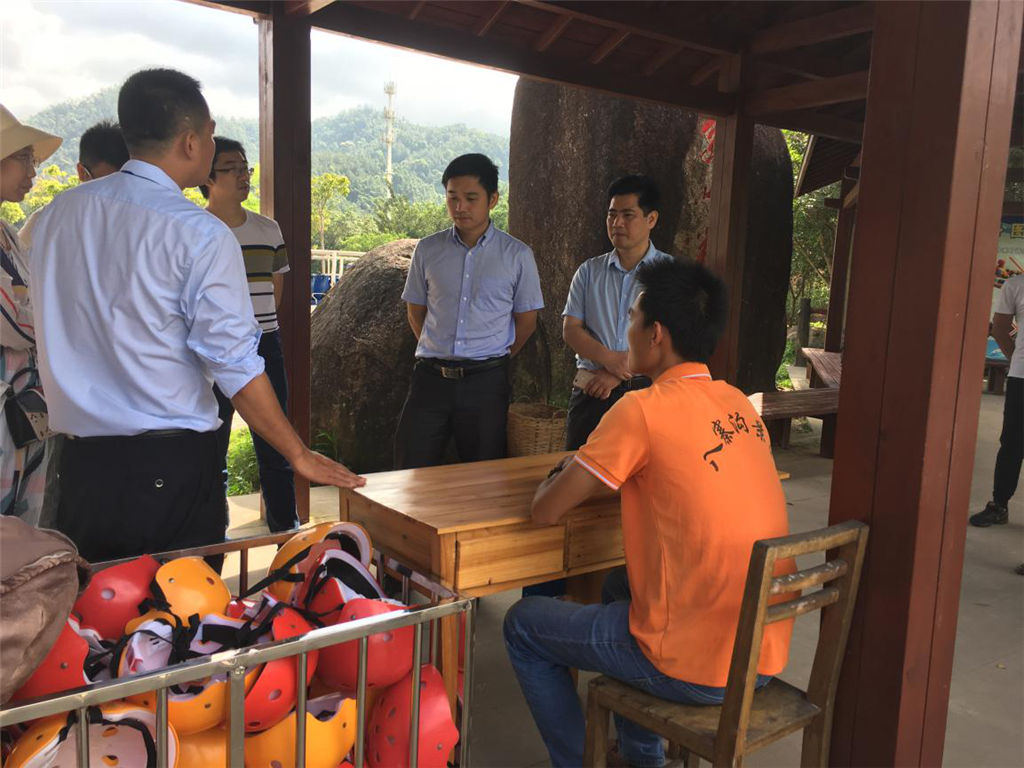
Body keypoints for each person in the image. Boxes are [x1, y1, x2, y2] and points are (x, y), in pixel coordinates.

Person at [28, 69, 363, 563]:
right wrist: (297, 453)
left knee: (96, 602)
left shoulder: (54, 216)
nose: (210, 144)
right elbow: (235, 364)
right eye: (210, 134)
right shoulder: (197, 233)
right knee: (183, 604)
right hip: (167, 468)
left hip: (78, 466)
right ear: (190, 142)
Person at [503, 258, 793, 768]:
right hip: (761, 653)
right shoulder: (738, 404)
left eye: (632, 318)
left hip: (695, 665)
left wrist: (560, 473)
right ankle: (643, 757)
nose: (628, 329)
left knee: (523, 624)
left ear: (655, 334)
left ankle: (578, 761)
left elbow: (547, 510)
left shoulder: (640, 409)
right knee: (620, 585)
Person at [394, 153, 543, 469]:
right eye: (452, 197)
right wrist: (437, 349)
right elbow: (415, 311)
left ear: (493, 199)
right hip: (430, 380)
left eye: (471, 198)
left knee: (483, 474)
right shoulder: (428, 249)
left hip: (485, 383)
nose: (460, 206)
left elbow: (527, 321)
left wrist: (494, 356)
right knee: (410, 469)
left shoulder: (517, 255)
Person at [18, 121, 129, 527]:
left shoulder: (47, 220)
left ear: (81, 170)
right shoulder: (153, 221)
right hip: (125, 395)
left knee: (58, 502)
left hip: (61, 392)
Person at [200, 136, 297, 532]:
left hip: (263, 344)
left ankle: (286, 537)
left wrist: (259, 329)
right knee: (211, 451)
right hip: (210, 351)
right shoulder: (195, 229)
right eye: (233, 169)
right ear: (208, 177)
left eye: (246, 168)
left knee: (277, 446)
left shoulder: (267, 229)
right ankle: (213, 539)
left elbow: (276, 289)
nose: (244, 176)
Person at [563, 175, 671, 451]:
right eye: (612, 215)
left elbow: (673, 340)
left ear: (651, 219)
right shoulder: (589, 272)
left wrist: (618, 373)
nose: (617, 223)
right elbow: (571, 329)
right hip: (591, 392)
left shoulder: (670, 275)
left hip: (648, 393)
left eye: (627, 215)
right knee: (577, 466)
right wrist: (610, 360)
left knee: (644, 471)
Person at [0, 105, 62, 525]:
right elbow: (17, 323)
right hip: (10, 405)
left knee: (23, 523)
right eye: (23, 157)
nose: (32, 172)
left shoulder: (8, 234)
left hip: (23, 406)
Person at [19, 120, 130, 249]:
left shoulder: (48, 217)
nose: (110, 196)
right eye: (102, 185)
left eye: (120, 185)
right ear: (82, 172)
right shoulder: (47, 220)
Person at [971, 276, 1024, 528]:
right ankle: (999, 505)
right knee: (1012, 443)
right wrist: (1017, 359)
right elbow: (1000, 328)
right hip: (1022, 377)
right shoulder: (1015, 285)